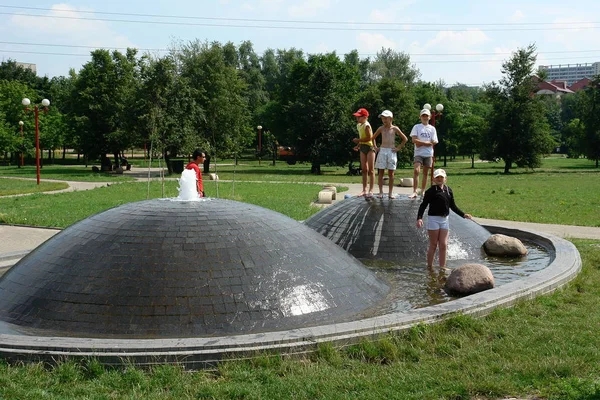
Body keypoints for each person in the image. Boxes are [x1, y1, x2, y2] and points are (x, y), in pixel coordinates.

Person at [416, 169, 472, 269]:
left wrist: (463, 215)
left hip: (444, 220)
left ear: (445, 179)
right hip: (433, 219)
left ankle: (442, 267)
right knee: (433, 244)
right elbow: (423, 205)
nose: (439, 179)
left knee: (444, 244)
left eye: (441, 177)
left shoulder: (448, 190)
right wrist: (419, 218)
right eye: (437, 177)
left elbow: (453, 206)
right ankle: (430, 267)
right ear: (433, 179)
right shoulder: (431, 191)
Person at [371, 110, 408, 199]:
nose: (384, 120)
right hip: (383, 150)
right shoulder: (381, 128)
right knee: (381, 173)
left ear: (391, 118)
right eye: (382, 118)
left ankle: (390, 193)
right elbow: (372, 138)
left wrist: (398, 148)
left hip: (391, 151)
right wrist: (375, 147)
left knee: (391, 173)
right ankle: (380, 192)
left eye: (385, 118)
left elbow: (405, 139)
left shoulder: (395, 128)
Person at [408, 109, 438, 199]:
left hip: (428, 153)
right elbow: (414, 140)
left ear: (429, 117)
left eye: (426, 116)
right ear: (420, 117)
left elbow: (434, 141)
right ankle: (414, 191)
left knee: (425, 173)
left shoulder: (432, 128)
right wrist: (425, 143)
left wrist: (421, 142)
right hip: (418, 153)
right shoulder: (416, 127)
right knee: (416, 170)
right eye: (423, 115)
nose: (425, 117)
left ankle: (423, 191)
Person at [351, 107, 375, 197]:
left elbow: (369, 138)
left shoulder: (366, 125)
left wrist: (358, 140)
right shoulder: (359, 125)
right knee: (364, 169)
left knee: (371, 170)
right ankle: (364, 189)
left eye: (359, 117)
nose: (357, 118)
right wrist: (358, 145)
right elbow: (362, 137)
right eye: (357, 117)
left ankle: (371, 190)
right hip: (363, 147)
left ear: (365, 117)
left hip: (369, 147)